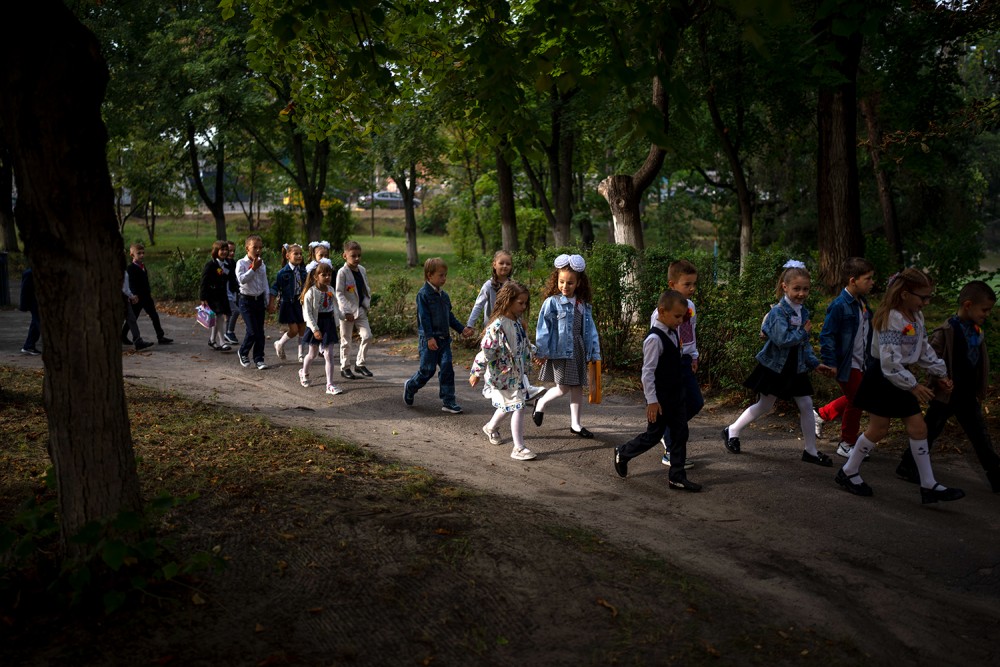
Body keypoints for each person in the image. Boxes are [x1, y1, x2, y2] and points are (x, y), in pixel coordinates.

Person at [835, 268, 965, 504]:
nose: (926, 302)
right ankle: (848, 471)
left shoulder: (916, 316)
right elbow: (889, 361)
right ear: (905, 294)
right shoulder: (891, 318)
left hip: (900, 377)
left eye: (929, 297)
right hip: (883, 377)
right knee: (878, 429)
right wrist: (913, 386)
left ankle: (928, 485)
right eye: (922, 297)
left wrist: (940, 373)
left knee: (918, 428)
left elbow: (922, 349)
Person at [722, 260, 835, 464]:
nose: (801, 293)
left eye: (805, 289)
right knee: (765, 405)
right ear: (785, 287)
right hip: (775, 366)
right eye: (797, 289)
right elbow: (782, 340)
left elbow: (804, 345)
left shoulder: (803, 312)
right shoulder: (777, 313)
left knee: (806, 403)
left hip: (796, 365)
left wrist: (814, 364)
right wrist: (802, 332)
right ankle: (732, 430)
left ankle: (810, 450)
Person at [894, 280, 999, 493]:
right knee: (931, 429)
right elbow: (929, 357)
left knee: (980, 435)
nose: (987, 314)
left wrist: (981, 385)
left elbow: (978, 362)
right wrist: (935, 381)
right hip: (946, 395)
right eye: (984, 309)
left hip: (967, 394)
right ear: (968, 305)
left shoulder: (977, 331)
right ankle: (908, 465)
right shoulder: (946, 331)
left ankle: (996, 475)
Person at [615, 290, 702, 491]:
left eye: (683, 316)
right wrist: (652, 401)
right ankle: (623, 452)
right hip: (660, 399)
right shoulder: (654, 339)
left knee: (681, 433)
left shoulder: (673, 333)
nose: (681, 321)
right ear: (662, 312)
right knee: (653, 436)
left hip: (676, 395)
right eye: (677, 316)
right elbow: (647, 373)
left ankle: (677, 476)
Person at [533, 253, 602, 437]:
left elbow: (591, 331)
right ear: (557, 280)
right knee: (562, 388)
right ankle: (541, 403)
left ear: (578, 283)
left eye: (570, 283)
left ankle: (576, 425)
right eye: (562, 282)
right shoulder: (552, 303)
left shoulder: (583, 305)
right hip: (560, 350)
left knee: (578, 387)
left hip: (578, 350)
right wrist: (541, 351)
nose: (565, 286)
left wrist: (595, 353)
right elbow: (543, 328)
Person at [815, 257, 875, 459]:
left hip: (862, 362)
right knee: (857, 400)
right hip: (846, 363)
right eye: (867, 279)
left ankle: (821, 414)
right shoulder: (840, 305)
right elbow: (827, 335)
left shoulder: (862, 303)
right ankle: (847, 443)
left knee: (857, 397)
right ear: (853, 280)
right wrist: (830, 362)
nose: (872, 282)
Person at [470, 281, 538, 461]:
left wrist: (536, 353)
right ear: (508, 301)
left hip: (517, 373)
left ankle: (491, 427)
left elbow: (522, 345)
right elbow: (487, 351)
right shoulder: (497, 325)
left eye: (525, 303)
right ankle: (519, 447)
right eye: (520, 303)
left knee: (510, 406)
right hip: (502, 375)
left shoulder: (517, 323)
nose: (524, 307)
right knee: (518, 406)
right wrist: (476, 372)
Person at [403, 257, 474, 413]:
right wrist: (429, 337)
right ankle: (411, 386)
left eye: (445, 275)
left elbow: (450, 317)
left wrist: (462, 329)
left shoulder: (444, 296)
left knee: (447, 368)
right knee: (427, 371)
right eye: (441, 275)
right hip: (429, 340)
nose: (444, 278)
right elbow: (424, 318)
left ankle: (448, 401)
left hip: (444, 340)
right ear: (430, 276)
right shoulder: (423, 295)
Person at [650, 259, 703, 468]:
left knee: (695, 402)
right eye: (687, 284)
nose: (692, 289)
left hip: (686, 360)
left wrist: (694, 355)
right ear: (672, 285)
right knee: (676, 405)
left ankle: (666, 430)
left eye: (693, 284)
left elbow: (691, 334)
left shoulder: (690, 307)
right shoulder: (660, 313)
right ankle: (670, 452)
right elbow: (655, 341)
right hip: (669, 363)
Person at [299, 259, 343, 396]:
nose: (327, 277)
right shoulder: (310, 293)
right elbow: (308, 314)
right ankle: (303, 372)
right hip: (316, 324)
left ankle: (329, 384)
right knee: (312, 354)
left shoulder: (330, 290)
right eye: (323, 275)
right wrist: (315, 329)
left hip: (328, 324)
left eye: (329, 274)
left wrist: (343, 316)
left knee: (329, 355)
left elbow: (335, 306)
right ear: (315, 276)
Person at [335, 240, 374, 379]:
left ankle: (360, 364)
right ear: (345, 256)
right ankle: (345, 367)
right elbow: (339, 293)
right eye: (353, 256)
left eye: (359, 255)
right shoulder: (342, 272)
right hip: (347, 312)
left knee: (367, 336)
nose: (357, 258)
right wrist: (346, 311)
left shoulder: (362, 270)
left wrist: (366, 303)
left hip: (360, 309)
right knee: (346, 340)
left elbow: (365, 289)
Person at [236, 234, 274, 370]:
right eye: (254, 247)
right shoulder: (241, 263)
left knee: (260, 332)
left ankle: (259, 358)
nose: (258, 250)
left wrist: (268, 301)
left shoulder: (261, 263)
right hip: (246, 301)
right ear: (247, 248)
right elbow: (242, 280)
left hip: (258, 301)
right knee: (252, 331)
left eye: (260, 247)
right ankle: (243, 351)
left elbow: (265, 284)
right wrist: (253, 268)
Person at [122, 242, 172, 345]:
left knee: (154, 316)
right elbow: (130, 283)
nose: (142, 255)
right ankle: (123, 335)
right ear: (132, 255)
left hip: (147, 297)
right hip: (137, 298)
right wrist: (133, 295)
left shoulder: (143, 267)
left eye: (143, 253)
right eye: (139, 253)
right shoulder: (131, 268)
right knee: (132, 318)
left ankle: (160, 336)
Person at [271, 243, 308, 362]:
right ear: (288, 256)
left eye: (300, 254)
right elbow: (276, 287)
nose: (299, 256)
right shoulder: (283, 273)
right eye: (295, 254)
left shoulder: (303, 272)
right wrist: (271, 302)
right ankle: (280, 343)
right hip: (288, 304)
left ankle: (301, 354)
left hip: (300, 303)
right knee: (294, 330)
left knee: (302, 328)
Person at [199, 240, 238, 351]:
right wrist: (203, 297)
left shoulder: (229, 264)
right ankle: (222, 342)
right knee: (219, 316)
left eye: (226, 250)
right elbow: (204, 282)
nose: (225, 252)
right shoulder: (211, 264)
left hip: (223, 294)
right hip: (212, 295)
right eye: (222, 250)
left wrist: (237, 290)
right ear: (216, 251)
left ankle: (212, 340)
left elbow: (232, 279)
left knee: (218, 317)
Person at [466, 250, 513, 330]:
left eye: (508, 264)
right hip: (491, 329)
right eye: (501, 263)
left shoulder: (513, 286)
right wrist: (470, 325)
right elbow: (478, 305)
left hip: (510, 328)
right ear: (494, 265)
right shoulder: (488, 286)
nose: (505, 266)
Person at [122, 271, 154, 351]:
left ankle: (138, 341)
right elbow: (124, 288)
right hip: (122, 298)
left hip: (123, 298)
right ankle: (137, 341)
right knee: (130, 318)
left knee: (131, 318)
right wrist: (131, 296)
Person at [19, 266, 41, 355]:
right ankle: (29, 346)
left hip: (36, 302)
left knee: (36, 323)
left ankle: (29, 346)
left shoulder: (31, 272)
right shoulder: (30, 273)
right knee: (38, 323)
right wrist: (24, 306)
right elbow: (25, 291)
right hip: (34, 302)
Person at [223, 240, 241, 345]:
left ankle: (227, 333)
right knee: (235, 311)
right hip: (225, 294)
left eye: (233, 251)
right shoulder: (222, 264)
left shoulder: (233, 263)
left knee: (230, 315)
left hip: (233, 292)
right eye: (229, 251)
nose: (232, 253)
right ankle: (229, 332)